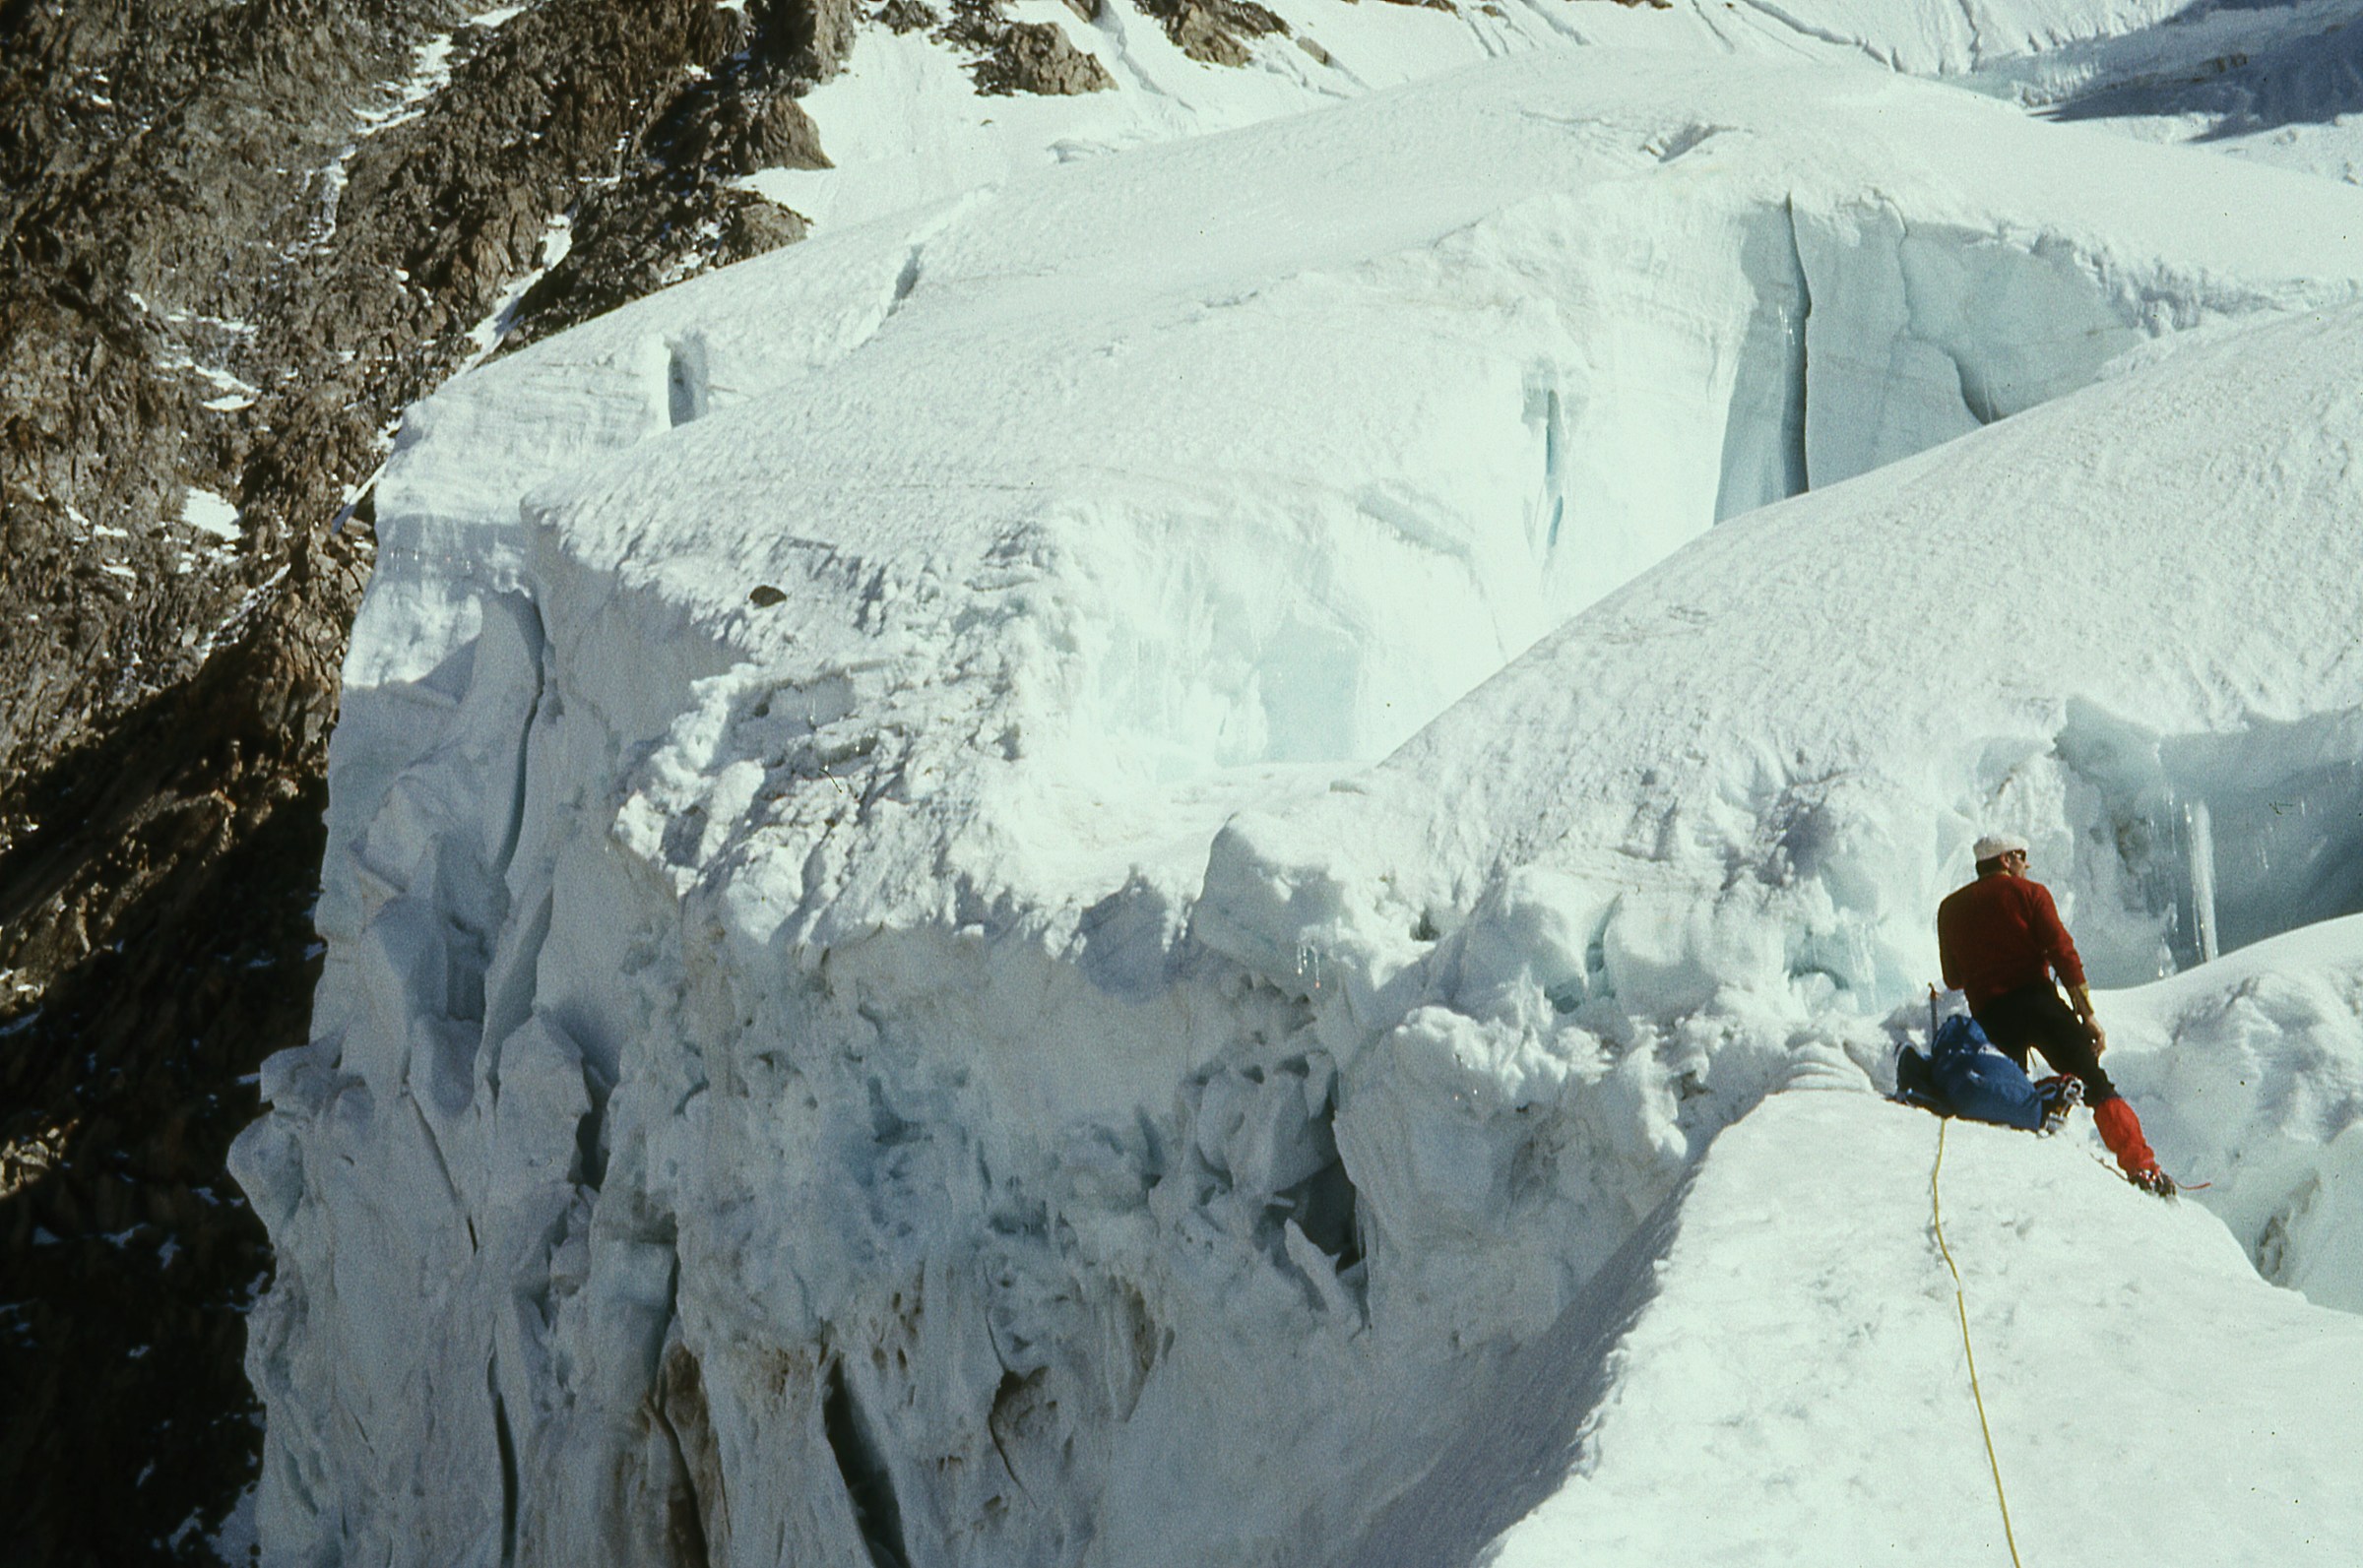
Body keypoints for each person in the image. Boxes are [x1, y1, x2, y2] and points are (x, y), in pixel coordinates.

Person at [1936, 832, 2175, 1196]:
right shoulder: (2031, 894)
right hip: (2040, 1005)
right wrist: (2087, 1014)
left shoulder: (1950, 909)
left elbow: (1953, 979)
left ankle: (2041, 1109)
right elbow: (2063, 952)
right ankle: (2141, 1167)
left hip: (1990, 1015)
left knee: (2008, 1093)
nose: (2025, 866)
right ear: (2006, 859)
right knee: (2097, 1084)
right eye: (2022, 858)